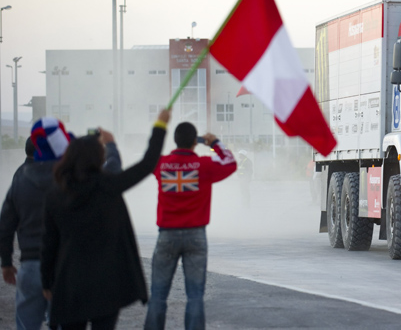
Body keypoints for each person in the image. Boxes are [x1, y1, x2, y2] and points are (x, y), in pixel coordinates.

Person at [40, 109, 171, 329]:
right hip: (107, 282)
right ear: (98, 158)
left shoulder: (55, 195)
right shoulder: (108, 185)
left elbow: (48, 243)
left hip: (70, 280)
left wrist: (46, 282)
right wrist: (160, 125)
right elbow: (148, 164)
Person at [144, 122, 237, 330]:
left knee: (158, 294)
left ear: (175, 140)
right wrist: (215, 143)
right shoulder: (204, 165)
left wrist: (159, 129)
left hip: (166, 235)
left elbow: (148, 157)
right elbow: (230, 163)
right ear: (196, 142)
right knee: (195, 295)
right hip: (196, 235)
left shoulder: (162, 164)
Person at [0, 119, 71, 330]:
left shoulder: (19, 178)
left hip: (30, 264)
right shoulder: (63, 177)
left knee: (26, 325)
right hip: (60, 263)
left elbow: (5, 225)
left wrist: (6, 262)